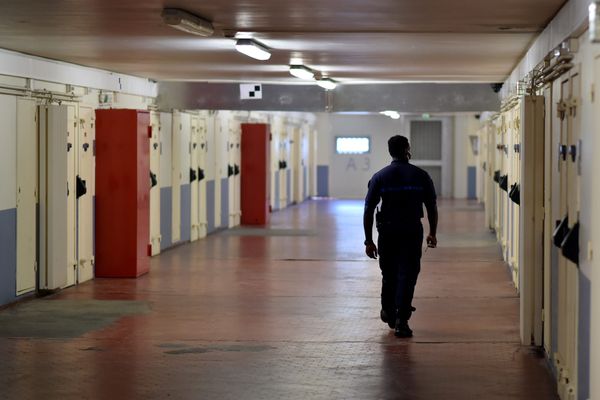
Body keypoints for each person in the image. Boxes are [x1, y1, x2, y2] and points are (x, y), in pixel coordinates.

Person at [363, 135, 438, 338]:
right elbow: (431, 206)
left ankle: (388, 309)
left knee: (389, 273)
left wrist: (368, 241)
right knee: (408, 274)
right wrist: (432, 233)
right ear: (407, 149)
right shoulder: (421, 175)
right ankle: (401, 321)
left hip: (387, 232)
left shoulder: (380, 177)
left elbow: (368, 210)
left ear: (390, 151)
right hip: (412, 232)